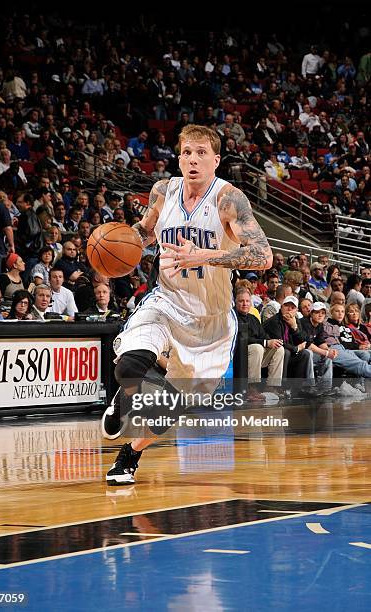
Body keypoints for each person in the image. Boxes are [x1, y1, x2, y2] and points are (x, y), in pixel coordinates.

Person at [104, 124, 272, 485]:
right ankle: (127, 397)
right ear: (179, 158)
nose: (192, 159)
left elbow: (263, 256)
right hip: (167, 300)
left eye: (200, 153)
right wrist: (121, 242)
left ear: (215, 160)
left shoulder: (229, 200)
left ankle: (129, 454)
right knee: (130, 365)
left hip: (211, 320)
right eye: (186, 153)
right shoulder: (164, 191)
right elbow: (146, 231)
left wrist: (207, 256)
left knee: (167, 413)